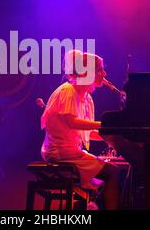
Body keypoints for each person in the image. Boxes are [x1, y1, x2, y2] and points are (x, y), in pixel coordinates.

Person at [40, 49, 121, 209]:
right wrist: (104, 124)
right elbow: (72, 122)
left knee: (113, 172)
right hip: (59, 152)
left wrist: (114, 138)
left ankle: (91, 206)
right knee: (112, 173)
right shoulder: (68, 91)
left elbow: (87, 132)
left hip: (70, 151)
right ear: (87, 72)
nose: (104, 73)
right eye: (100, 69)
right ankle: (93, 206)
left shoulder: (87, 98)